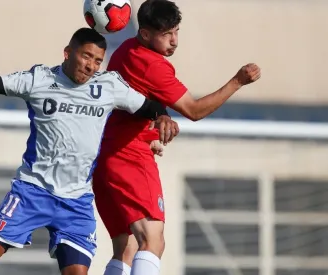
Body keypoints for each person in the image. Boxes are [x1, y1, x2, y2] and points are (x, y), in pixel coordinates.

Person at [0, 28, 179, 275]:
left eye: (97, 60)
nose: (91, 66)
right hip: (32, 192)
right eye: (86, 57)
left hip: (76, 201)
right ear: (68, 53)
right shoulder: (39, 80)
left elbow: (149, 105)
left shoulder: (108, 87)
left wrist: (163, 115)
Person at [92, 1, 262, 275]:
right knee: (153, 241)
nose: (174, 41)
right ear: (146, 34)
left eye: (177, 31)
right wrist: (237, 81)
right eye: (166, 34)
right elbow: (194, 111)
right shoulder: (153, 65)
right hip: (129, 157)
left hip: (106, 157)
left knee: (127, 249)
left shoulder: (125, 50)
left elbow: (134, 102)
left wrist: (152, 128)